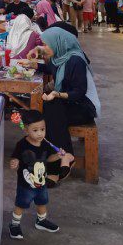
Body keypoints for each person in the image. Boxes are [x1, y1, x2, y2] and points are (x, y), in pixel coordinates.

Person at [22, 26, 100, 157]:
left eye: (46, 45)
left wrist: (56, 94)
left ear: (57, 43)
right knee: (48, 108)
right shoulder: (61, 56)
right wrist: (34, 63)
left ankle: (63, 156)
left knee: (51, 111)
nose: (44, 47)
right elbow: (52, 68)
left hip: (84, 107)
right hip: (69, 103)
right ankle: (57, 153)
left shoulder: (76, 60)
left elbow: (79, 92)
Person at [8, 109, 74, 240]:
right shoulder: (21, 144)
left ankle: (41, 221)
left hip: (42, 181)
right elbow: (15, 158)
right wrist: (14, 162)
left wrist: (58, 156)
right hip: (26, 184)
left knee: (42, 202)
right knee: (21, 204)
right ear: (26, 130)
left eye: (42, 129)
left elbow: (48, 158)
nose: (40, 133)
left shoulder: (44, 143)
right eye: (35, 130)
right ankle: (14, 224)